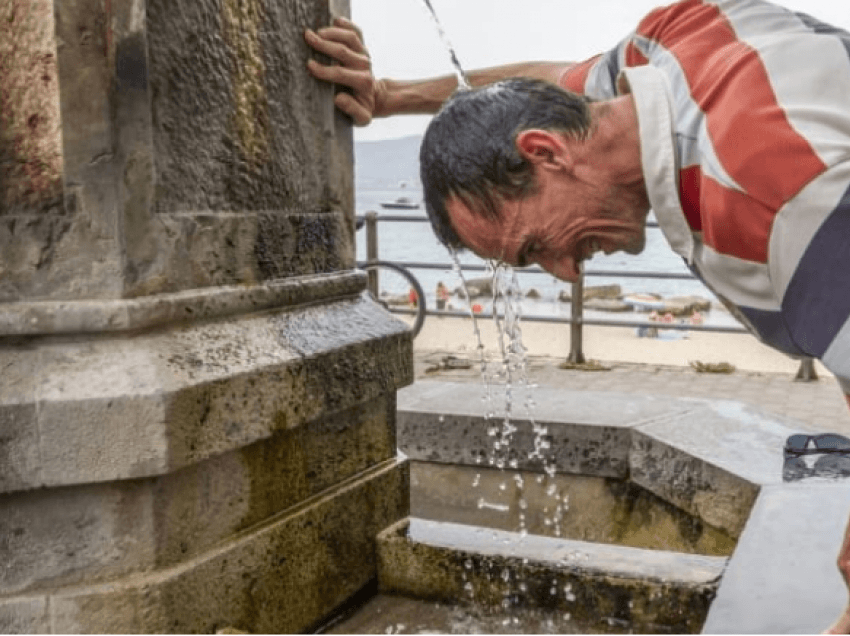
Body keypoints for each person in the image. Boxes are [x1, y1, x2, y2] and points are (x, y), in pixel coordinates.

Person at [306, 2, 850, 631]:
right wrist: (394, 95)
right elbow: (546, 83)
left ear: (545, 153)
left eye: (535, 248)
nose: (567, 272)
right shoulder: (670, 42)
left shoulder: (775, 206)